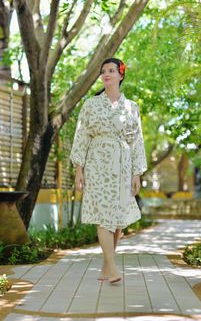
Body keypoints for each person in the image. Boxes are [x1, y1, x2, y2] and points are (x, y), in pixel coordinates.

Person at [70, 57, 147, 284]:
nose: (106, 74)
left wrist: (136, 174)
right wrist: (78, 170)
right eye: (104, 71)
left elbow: (137, 142)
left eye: (111, 70)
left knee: (118, 220)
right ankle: (112, 268)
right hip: (98, 165)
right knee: (103, 216)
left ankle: (105, 268)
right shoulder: (90, 105)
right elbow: (81, 137)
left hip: (123, 167)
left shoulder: (131, 107)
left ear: (121, 75)